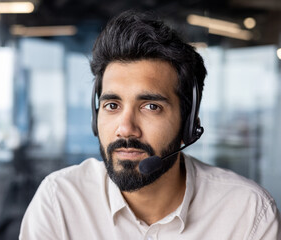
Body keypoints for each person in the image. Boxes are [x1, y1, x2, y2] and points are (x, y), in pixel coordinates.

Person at [19, 10, 281, 239]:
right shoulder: (59, 201)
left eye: (151, 107)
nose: (125, 128)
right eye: (112, 105)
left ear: (189, 125)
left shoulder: (248, 213)